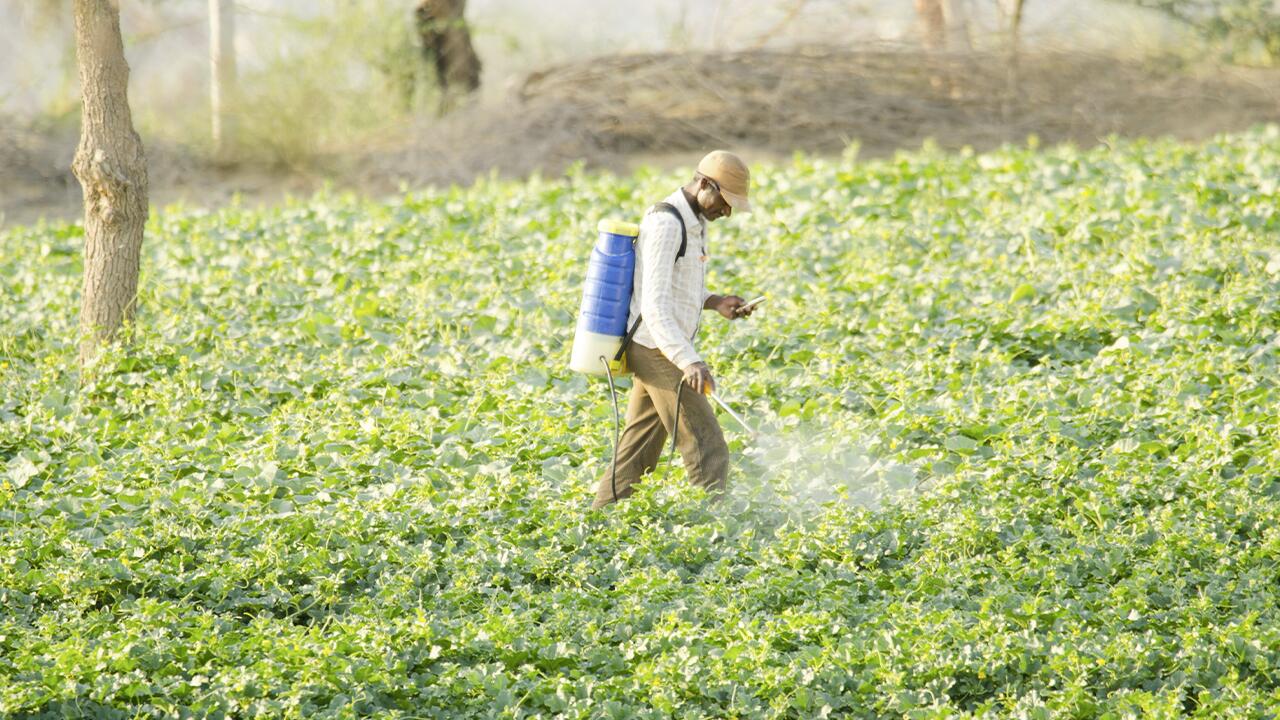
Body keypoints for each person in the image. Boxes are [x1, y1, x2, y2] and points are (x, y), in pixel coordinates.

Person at [592, 150, 757, 509]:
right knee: (706, 444)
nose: (726, 212)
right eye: (725, 202)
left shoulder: (692, 222)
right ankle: (715, 531)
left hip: (658, 346)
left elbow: (675, 288)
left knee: (638, 449)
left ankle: (600, 520)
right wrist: (688, 361)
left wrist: (715, 301)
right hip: (657, 348)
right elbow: (653, 304)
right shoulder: (667, 224)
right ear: (704, 184)